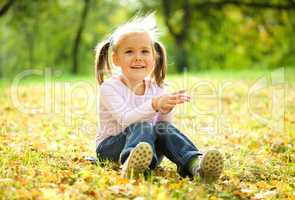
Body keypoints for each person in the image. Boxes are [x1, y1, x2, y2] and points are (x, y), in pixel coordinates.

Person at [94, 13, 223, 182]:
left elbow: (163, 128)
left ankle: (195, 166)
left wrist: (165, 109)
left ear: (154, 58)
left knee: (162, 128)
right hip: (110, 148)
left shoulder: (159, 87)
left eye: (144, 51)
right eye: (129, 51)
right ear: (116, 59)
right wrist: (154, 104)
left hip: (148, 151)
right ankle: (130, 167)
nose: (138, 57)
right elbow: (126, 120)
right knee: (141, 126)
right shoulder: (110, 87)